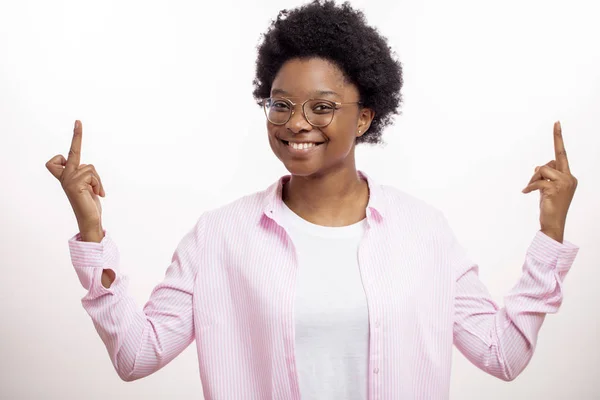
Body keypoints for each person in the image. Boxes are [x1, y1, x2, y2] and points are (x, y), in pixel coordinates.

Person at [45, 1, 580, 399]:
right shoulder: (220, 237)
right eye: (281, 104)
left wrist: (550, 234)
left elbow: (501, 355)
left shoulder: (424, 233)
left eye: (322, 107)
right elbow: (137, 356)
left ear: (364, 117)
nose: (296, 122)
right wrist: (92, 231)